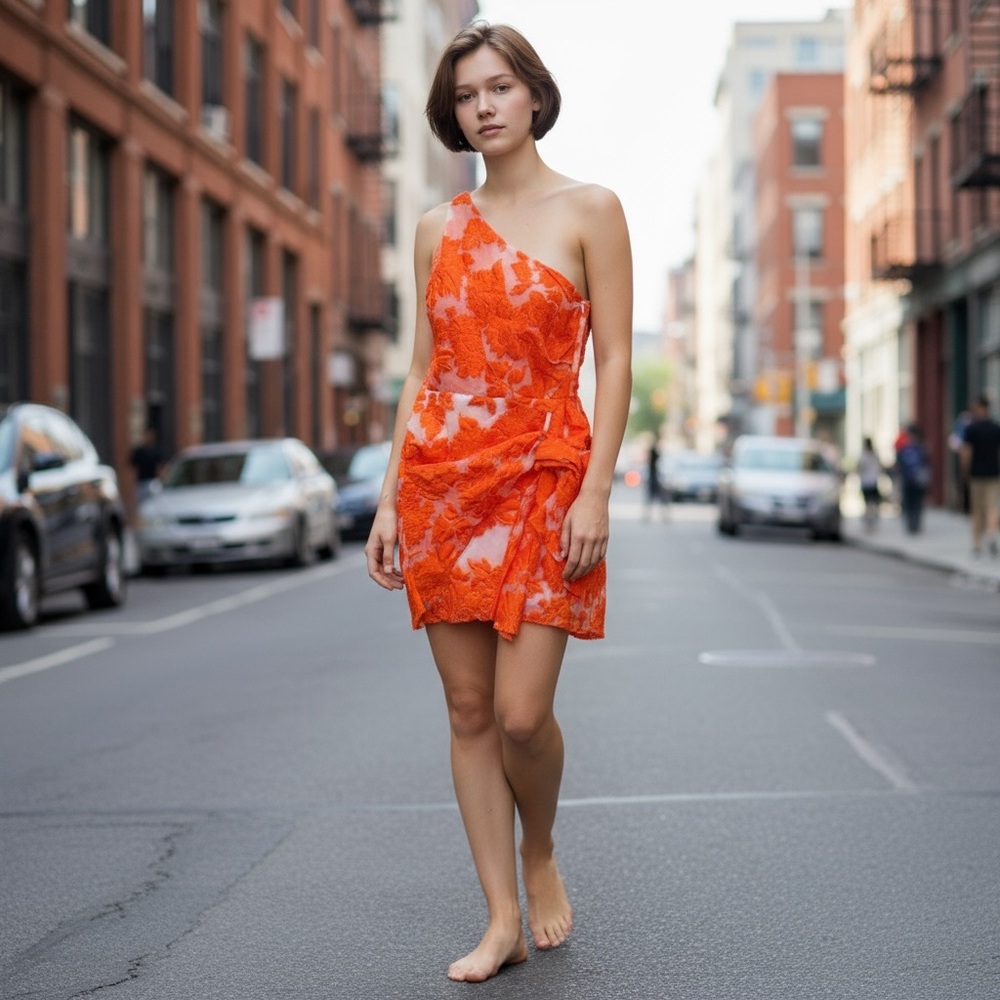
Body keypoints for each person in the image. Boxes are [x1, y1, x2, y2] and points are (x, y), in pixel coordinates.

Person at [364, 22, 633, 984]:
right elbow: (424, 371)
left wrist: (596, 488)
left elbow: (618, 363)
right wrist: (392, 498)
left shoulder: (591, 209)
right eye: (468, 94)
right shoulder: (438, 227)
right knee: (469, 707)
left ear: (533, 95)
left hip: (548, 477)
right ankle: (500, 918)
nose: (485, 105)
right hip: (445, 483)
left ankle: (541, 846)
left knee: (523, 714)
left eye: (501, 86)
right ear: (455, 113)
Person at [961, 395, 1000, 558]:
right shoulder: (996, 428)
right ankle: (990, 535)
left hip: (977, 475)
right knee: (992, 507)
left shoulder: (972, 429)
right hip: (994, 473)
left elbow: (966, 453)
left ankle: (977, 544)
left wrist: (964, 473)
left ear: (983, 408)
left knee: (977, 510)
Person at [895, 423, 930, 534]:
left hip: (918, 481)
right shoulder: (904, 449)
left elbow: (926, 464)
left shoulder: (921, 449)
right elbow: (899, 465)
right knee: (909, 503)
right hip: (907, 480)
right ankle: (911, 524)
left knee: (917, 503)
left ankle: (916, 524)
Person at [129, 427, 164, 504]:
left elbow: (160, 467)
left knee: (154, 503)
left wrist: (160, 481)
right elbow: (133, 468)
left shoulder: (156, 451)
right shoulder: (139, 452)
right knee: (141, 505)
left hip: (152, 481)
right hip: (140, 482)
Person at [857, 436, 884, 533]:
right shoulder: (875, 455)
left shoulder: (863, 456)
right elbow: (880, 467)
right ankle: (871, 523)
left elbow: (859, 468)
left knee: (868, 504)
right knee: (873, 504)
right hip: (873, 482)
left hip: (866, 482)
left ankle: (869, 524)